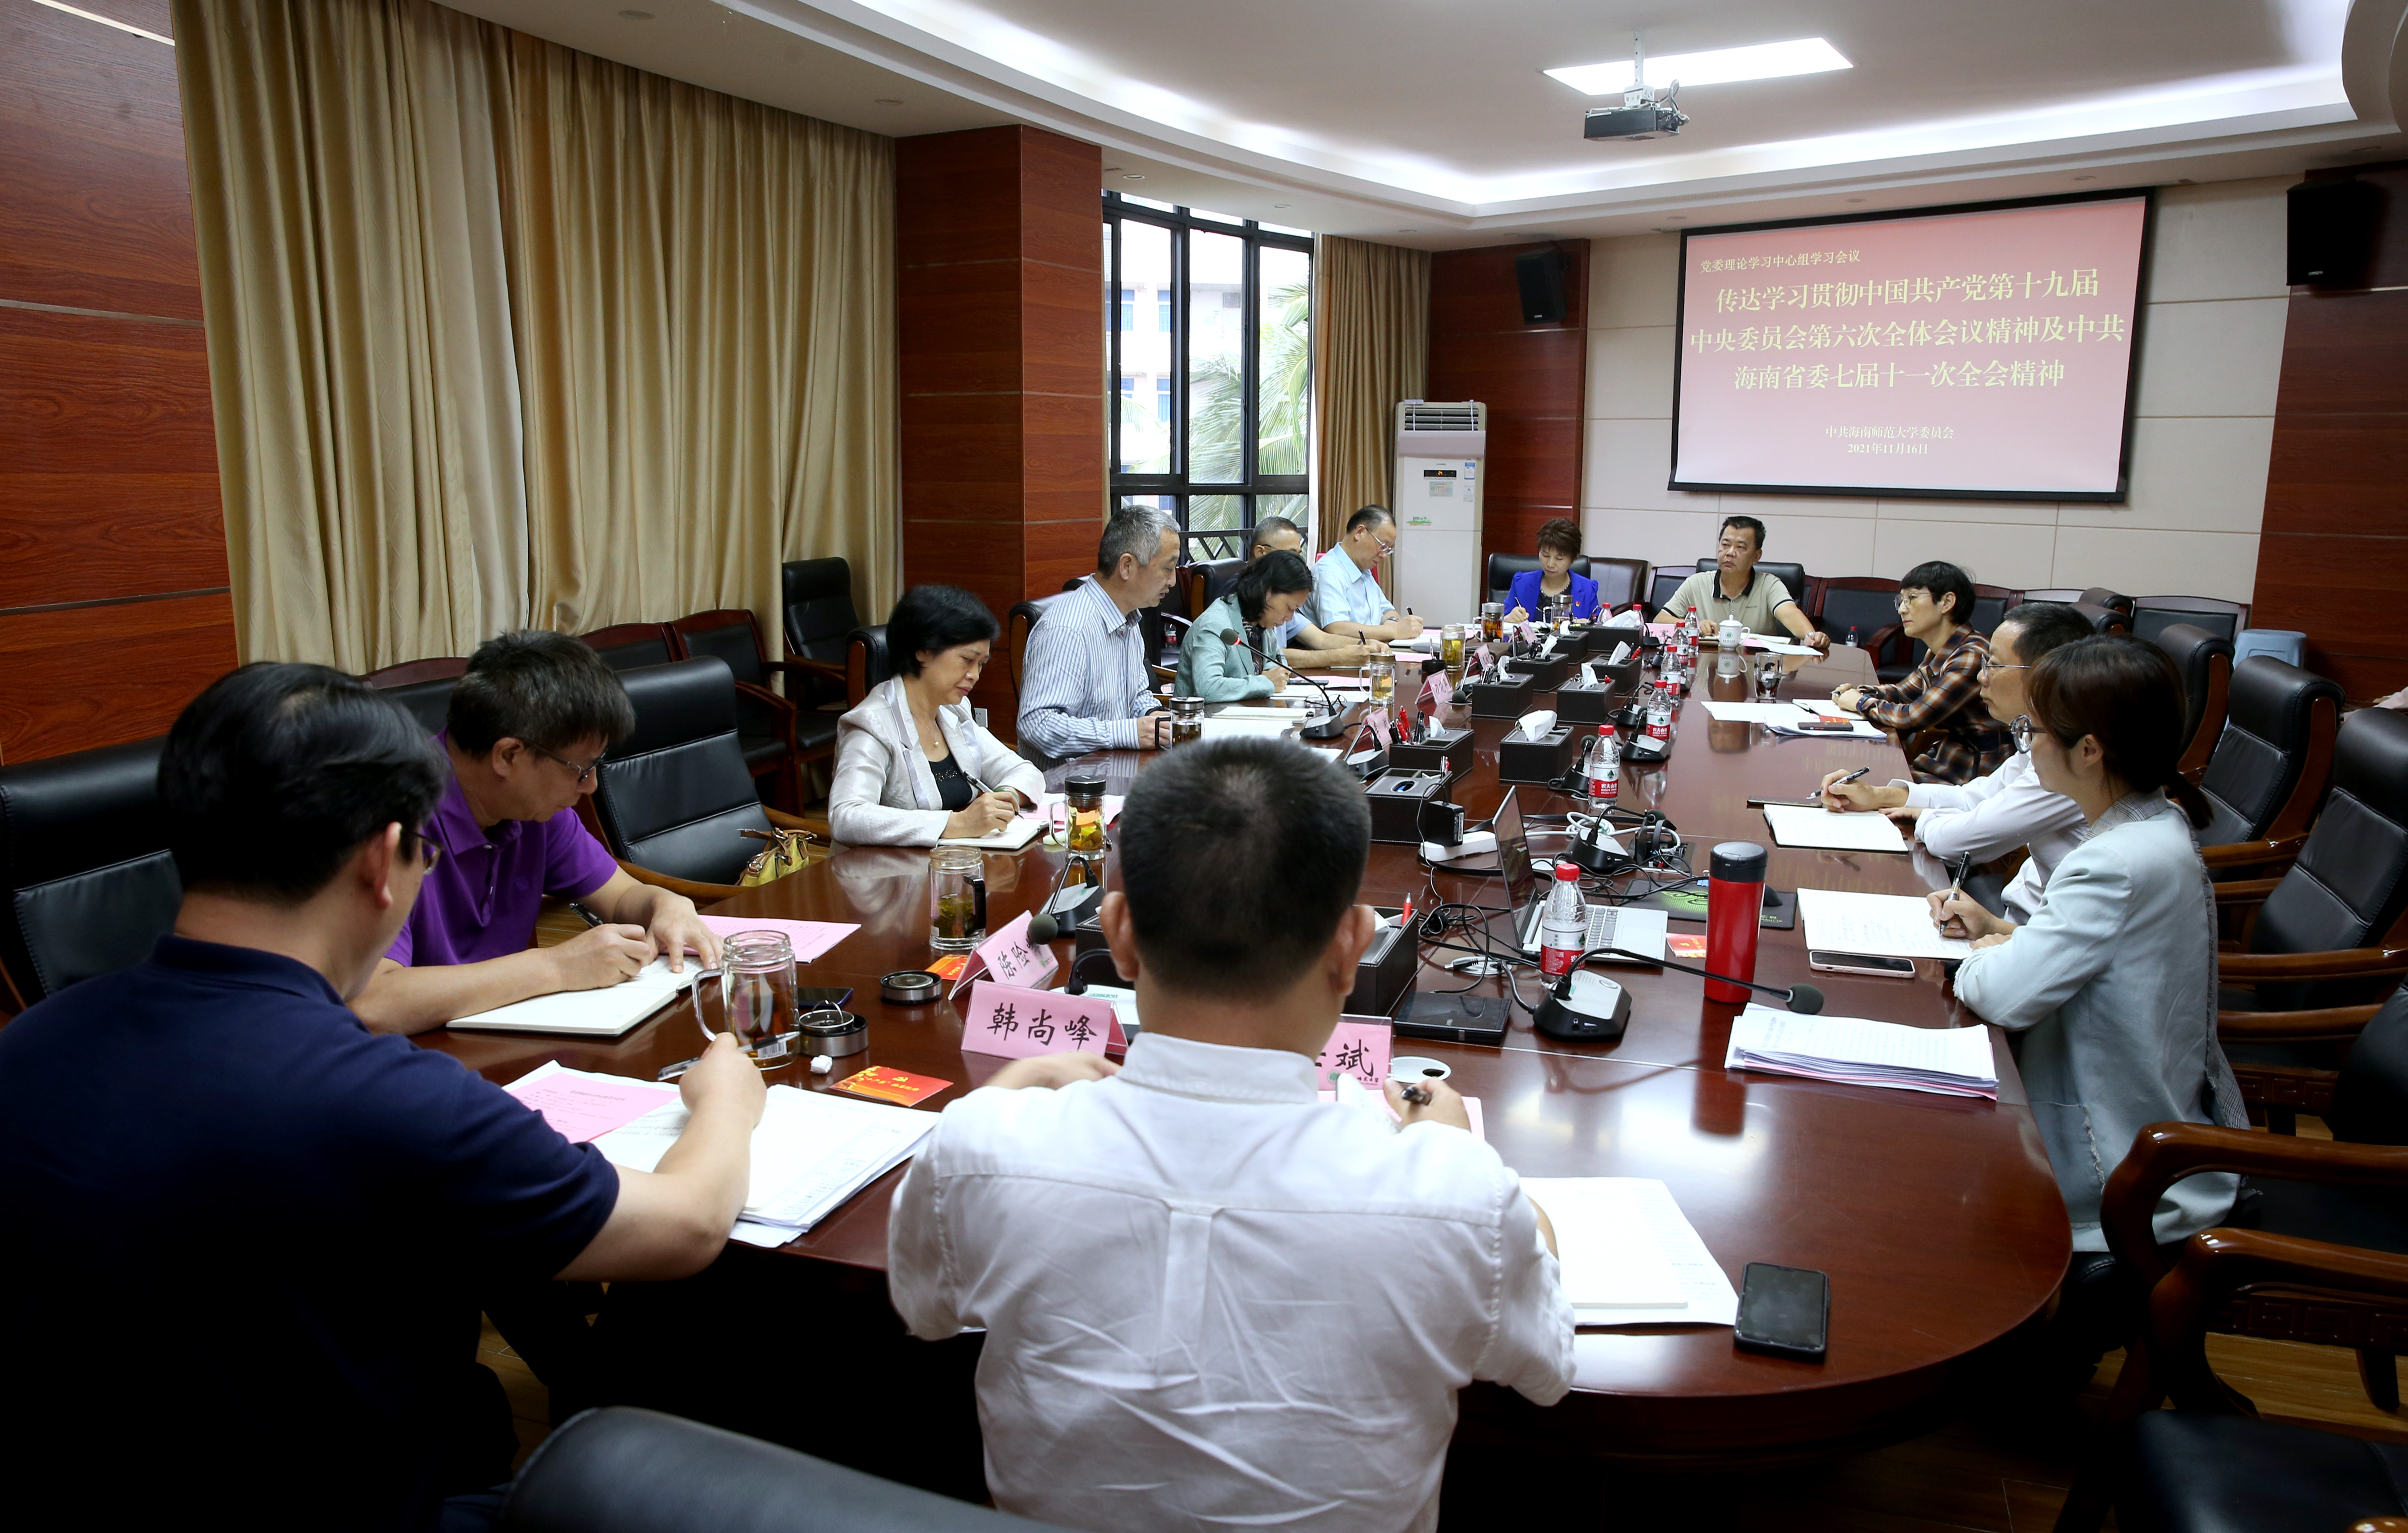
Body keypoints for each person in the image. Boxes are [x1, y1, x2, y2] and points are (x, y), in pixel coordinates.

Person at [0, 663, 764, 1532]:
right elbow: (688, 1224)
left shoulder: (25, 1047)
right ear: (381, 861)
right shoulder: (392, 1100)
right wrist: (727, 1103)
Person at [888, 738, 1574, 1533]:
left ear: (1117, 931)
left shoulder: (978, 1152)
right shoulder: (1455, 1197)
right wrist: (1457, 1149)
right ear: (1354, 945)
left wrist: (1011, 1086)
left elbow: (923, 1306)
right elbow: (1548, 1369)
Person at [1939, 638, 2244, 1366]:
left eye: (2035, 732)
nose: (2026, 747)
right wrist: (2007, 933)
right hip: (2134, 1098)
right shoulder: (2150, 825)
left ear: (2087, 750)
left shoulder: (2110, 861)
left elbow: (2002, 996)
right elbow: (2086, 957)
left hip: (2111, 1152)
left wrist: (1981, 954)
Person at [351, 630, 721, 1035]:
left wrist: (668, 906)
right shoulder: (388, 820)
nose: (591, 787)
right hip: (423, 1055)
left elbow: (622, 896)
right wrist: (555, 967)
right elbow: (372, 1002)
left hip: (505, 1037)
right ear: (509, 755)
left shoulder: (532, 810)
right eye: (581, 770)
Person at [1817, 600, 2095, 920]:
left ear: (2046, 673)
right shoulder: (2038, 737)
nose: (1981, 677)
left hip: (2029, 931)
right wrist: (1880, 796)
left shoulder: (2069, 760)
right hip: (2016, 919)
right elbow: (1975, 797)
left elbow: (1959, 841)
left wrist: (1921, 818)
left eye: (1994, 665)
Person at [830, 584, 1045, 847]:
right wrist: (958, 824)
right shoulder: (872, 725)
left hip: (953, 868)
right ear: (923, 650)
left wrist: (1001, 800)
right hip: (887, 879)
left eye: (981, 664)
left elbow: (1023, 770)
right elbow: (847, 816)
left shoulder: (953, 711)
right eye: (967, 660)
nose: (975, 675)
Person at [1018, 504, 1182, 766]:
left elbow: (1136, 696)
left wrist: (1155, 717)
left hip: (1118, 771)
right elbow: (1037, 726)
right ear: (1127, 566)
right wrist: (1127, 733)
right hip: (1069, 791)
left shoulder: (1129, 617)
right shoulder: (1068, 629)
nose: (1173, 581)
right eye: (1167, 568)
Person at [1828, 561, 2013, 786]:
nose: (1902, 609)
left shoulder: (1971, 655)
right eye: (1901, 600)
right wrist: (1860, 692)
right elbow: (1903, 693)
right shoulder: (1942, 649)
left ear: (1947, 602)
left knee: (1860, 783)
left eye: (1912, 598)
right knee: (1850, 777)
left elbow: (1913, 717)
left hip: (1972, 772)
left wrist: (1861, 702)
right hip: (1946, 758)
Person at [1653, 515, 1829, 651]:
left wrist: (1812, 636)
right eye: (1725, 545)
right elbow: (1660, 620)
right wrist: (1693, 625)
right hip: (1705, 668)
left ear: (1756, 556)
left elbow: (1790, 613)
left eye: (1740, 547)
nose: (1730, 553)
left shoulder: (1769, 585)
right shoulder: (1697, 583)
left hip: (1754, 670)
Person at [1248, 515, 1387, 668]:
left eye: (1299, 555)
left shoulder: (1281, 590)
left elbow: (1321, 639)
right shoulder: (1244, 595)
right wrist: (1336, 657)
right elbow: (1265, 655)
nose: (1297, 562)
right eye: (1290, 554)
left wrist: (1365, 644)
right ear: (1261, 553)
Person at [1176, 548, 1314, 701]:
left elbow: (1278, 665)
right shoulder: (1214, 625)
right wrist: (1266, 682)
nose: (1289, 618)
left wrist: (1276, 676)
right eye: (1289, 608)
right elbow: (1208, 688)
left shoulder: (1261, 622)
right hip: (1205, 720)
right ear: (1268, 593)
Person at [1307, 504, 1427, 645]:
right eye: (1383, 546)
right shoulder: (1328, 573)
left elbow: (1389, 612)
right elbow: (1337, 628)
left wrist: (1392, 623)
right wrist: (1394, 632)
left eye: (1388, 550)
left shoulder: (1364, 571)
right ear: (1359, 532)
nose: (1384, 555)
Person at [1502, 516, 1601, 623]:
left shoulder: (1588, 589)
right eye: (1545, 555)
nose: (1550, 564)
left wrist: (1586, 625)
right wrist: (1507, 619)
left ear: (1573, 559)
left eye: (1559, 559)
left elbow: (1598, 627)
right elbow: (1503, 621)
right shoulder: (1521, 583)